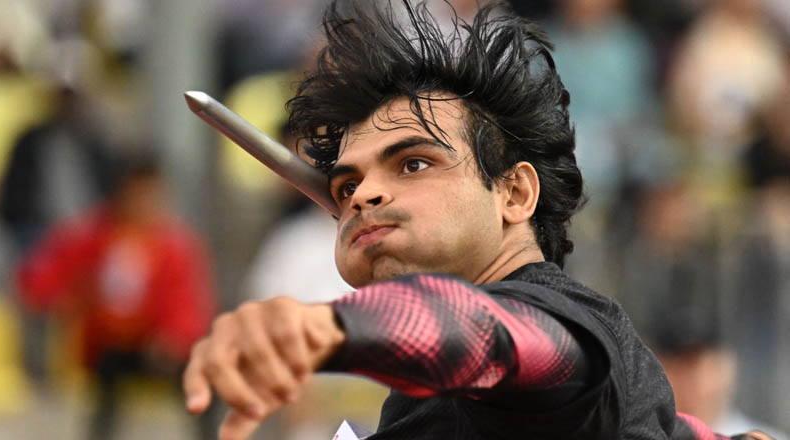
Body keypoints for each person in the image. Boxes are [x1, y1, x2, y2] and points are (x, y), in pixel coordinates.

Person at [182, 1, 776, 439]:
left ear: (514, 193)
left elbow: (503, 340)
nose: (363, 196)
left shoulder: (559, 322)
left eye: (413, 164)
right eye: (347, 183)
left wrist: (336, 332)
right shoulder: (428, 403)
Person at [17, 153, 217, 440]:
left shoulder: (176, 245)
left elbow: (188, 303)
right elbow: (42, 279)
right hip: (106, 345)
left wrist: (172, 338)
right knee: (108, 377)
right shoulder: (89, 236)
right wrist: (66, 301)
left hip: (155, 345)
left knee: (203, 378)